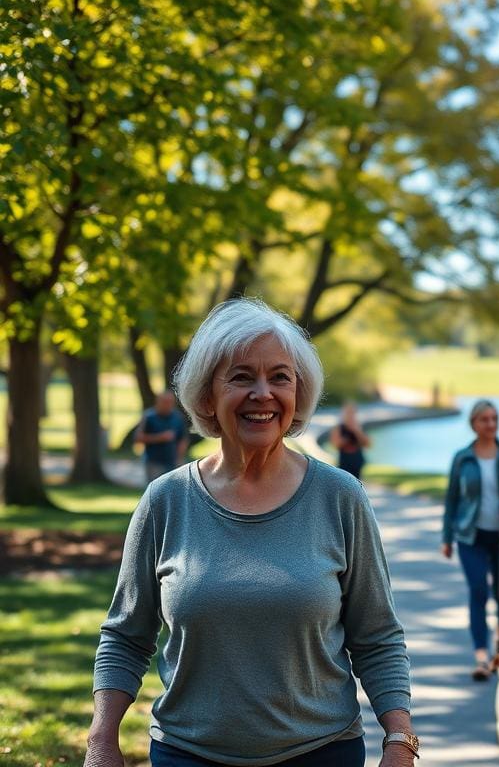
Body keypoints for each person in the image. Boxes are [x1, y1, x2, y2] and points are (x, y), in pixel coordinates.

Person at [84, 298, 418, 767]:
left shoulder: (341, 497)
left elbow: (377, 636)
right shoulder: (165, 501)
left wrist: (400, 741)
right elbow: (125, 637)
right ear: (206, 397)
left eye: (280, 377)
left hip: (320, 754)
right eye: (242, 377)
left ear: (297, 393)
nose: (263, 393)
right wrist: (101, 742)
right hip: (188, 755)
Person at [442, 400, 499, 681]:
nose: (491, 424)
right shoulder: (463, 458)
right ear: (474, 424)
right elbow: (452, 499)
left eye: (494, 419)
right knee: (478, 590)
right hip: (471, 535)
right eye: (485, 420)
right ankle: (482, 657)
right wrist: (447, 537)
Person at [134, 390, 189, 483]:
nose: (167, 405)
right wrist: (159, 438)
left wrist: (179, 458)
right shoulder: (149, 417)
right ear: (157, 402)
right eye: (165, 402)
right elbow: (138, 438)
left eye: (170, 402)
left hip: (172, 462)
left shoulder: (178, 417)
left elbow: (183, 439)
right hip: (153, 462)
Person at [329, 401, 371, 479]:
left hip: (357, 460)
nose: (350, 415)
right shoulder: (339, 428)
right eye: (348, 413)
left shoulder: (359, 427)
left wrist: (356, 431)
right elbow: (335, 444)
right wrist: (345, 440)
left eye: (352, 413)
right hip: (345, 461)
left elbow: (368, 444)